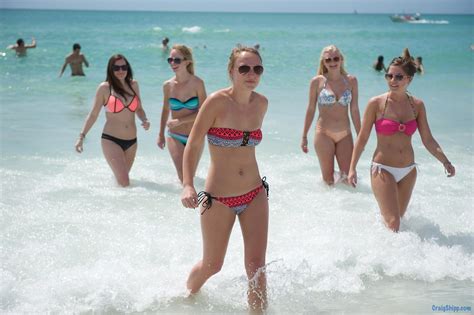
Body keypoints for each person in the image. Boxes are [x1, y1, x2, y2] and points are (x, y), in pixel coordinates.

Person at [181, 46, 269, 311]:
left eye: (257, 69)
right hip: (219, 198)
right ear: (232, 71)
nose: (251, 74)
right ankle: (185, 298)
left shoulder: (261, 104)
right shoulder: (217, 102)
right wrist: (187, 184)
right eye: (244, 68)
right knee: (212, 265)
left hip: (255, 193)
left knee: (257, 266)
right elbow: (193, 145)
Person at [348, 48, 455, 232]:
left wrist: (445, 161)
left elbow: (428, 139)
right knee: (393, 223)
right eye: (389, 76)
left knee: (398, 222)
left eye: (398, 77)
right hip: (382, 169)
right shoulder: (376, 103)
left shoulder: (417, 105)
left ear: (409, 79)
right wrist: (352, 168)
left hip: (408, 171)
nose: (393, 81)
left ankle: (394, 255)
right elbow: (363, 137)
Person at [74, 54, 150, 187]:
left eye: (123, 67)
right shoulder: (104, 88)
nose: (121, 71)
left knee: (122, 184)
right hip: (111, 140)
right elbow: (93, 115)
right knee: (125, 182)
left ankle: (114, 204)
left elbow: (139, 109)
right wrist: (81, 137)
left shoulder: (134, 85)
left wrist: (144, 119)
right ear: (111, 69)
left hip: (132, 142)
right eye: (116, 68)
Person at [301, 45, 361, 185]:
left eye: (336, 58)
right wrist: (304, 136)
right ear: (324, 62)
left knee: (349, 179)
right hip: (323, 134)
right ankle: (329, 206)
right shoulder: (317, 82)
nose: (333, 62)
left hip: (345, 134)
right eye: (328, 60)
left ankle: (351, 205)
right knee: (328, 181)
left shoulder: (351, 81)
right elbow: (310, 109)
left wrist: (361, 135)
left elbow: (355, 110)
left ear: (341, 59)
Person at [157, 44, 207, 182]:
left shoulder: (198, 83)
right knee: (183, 178)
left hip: (195, 136)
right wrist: (160, 134)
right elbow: (165, 110)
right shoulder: (168, 85)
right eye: (170, 60)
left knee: (189, 177)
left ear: (187, 61)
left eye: (177, 60)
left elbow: (204, 112)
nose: (173, 63)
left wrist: (180, 121)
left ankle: (195, 202)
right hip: (175, 135)